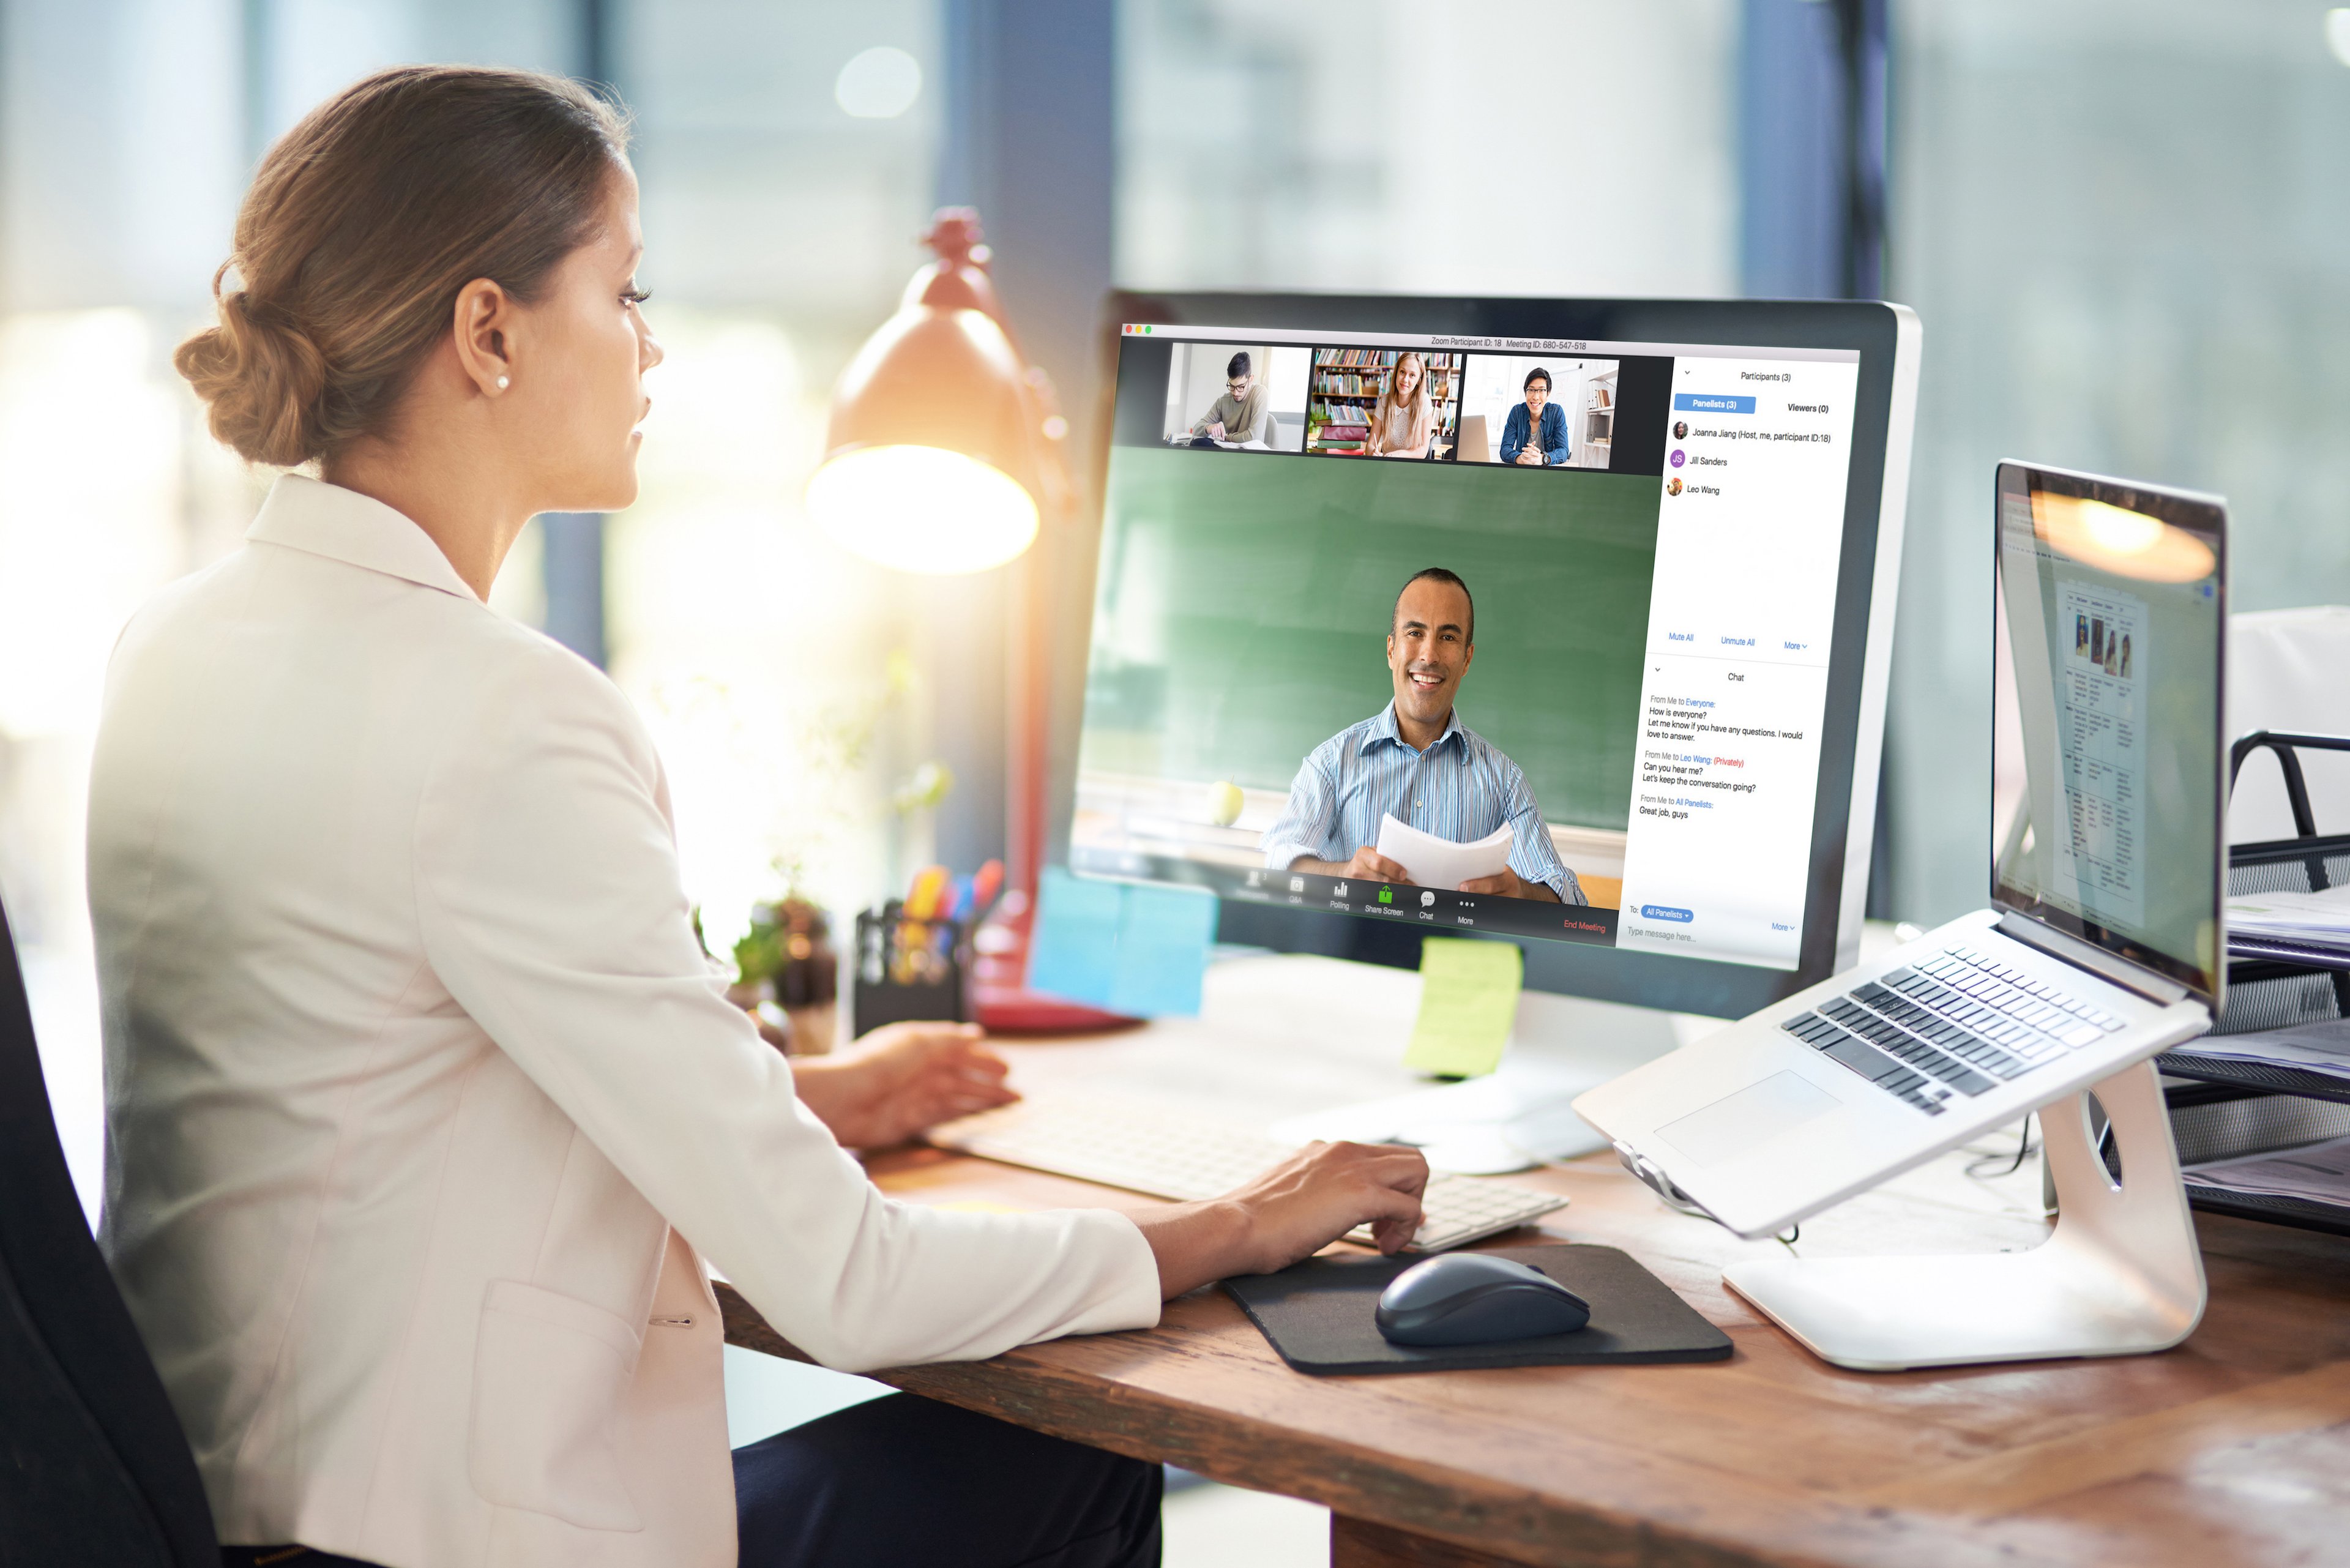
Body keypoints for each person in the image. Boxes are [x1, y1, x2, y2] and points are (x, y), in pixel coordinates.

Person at [91, 67, 1427, 1568]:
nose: (653, 350)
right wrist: (1237, 1225)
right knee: (1062, 1462)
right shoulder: (502, 717)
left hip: (229, 1512)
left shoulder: (176, 646)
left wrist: (806, 1099)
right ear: (487, 333)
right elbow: (848, 1285)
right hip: (440, 1542)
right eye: (624, 288)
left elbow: (382, 1079)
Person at [1259, 569, 1586, 904]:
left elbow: (1572, 899)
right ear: (1391, 650)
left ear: (1467, 659)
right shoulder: (1332, 764)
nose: (1429, 656)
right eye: (1415, 632)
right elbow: (1277, 862)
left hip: (1456, 954)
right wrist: (1343, 876)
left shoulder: (1504, 782)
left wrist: (1522, 893)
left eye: (1447, 638)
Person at [1497, 365, 1572, 467]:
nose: (1536, 397)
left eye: (1541, 390)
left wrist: (1543, 458)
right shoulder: (1517, 412)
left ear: (1548, 393)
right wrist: (1520, 458)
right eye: (1531, 390)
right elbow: (1505, 449)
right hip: (1522, 471)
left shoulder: (1556, 412)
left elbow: (1563, 451)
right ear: (1525, 393)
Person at [1364, 350, 1433, 459]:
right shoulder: (1384, 402)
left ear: (1419, 380)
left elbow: (1423, 450)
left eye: (1412, 375)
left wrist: (1398, 455)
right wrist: (1372, 452)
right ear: (1396, 373)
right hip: (1386, 467)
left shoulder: (1424, 402)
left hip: (1411, 469)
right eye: (1402, 372)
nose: (1405, 379)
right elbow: (1370, 445)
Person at [1187, 350, 1266, 443]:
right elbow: (1197, 429)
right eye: (1232, 386)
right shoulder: (1223, 401)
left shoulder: (1259, 393)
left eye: (1241, 387)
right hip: (1228, 454)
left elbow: (1254, 438)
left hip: (1250, 455)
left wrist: (1227, 437)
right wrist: (1209, 428)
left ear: (1251, 380)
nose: (1235, 393)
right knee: (1198, 443)